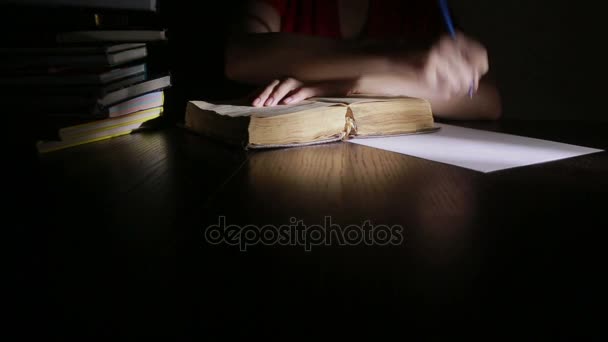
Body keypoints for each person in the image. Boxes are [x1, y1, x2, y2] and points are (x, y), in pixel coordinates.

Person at [225, 0, 502, 120]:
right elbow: (243, 55)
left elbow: (486, 99)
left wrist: (362, 83)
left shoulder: (415, 6)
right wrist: (396, 63)